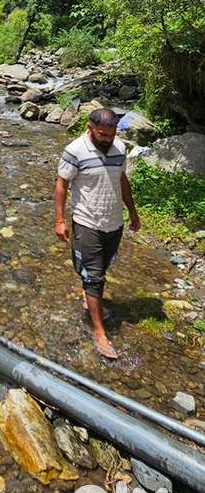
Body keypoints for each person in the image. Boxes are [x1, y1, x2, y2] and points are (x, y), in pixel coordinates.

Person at [54, 107, 140, 359]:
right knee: (94, 277)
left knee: (102, 267)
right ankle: (100, 332)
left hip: (113, 222)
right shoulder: (75, 150)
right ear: (89, 128)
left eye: (111, 134)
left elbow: (122, 180)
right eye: (102, 134)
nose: (106, 138)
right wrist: (59, 220)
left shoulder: (120, 148)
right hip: (86, 222)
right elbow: (61, 184)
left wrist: (132, 211)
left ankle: (87, 287)